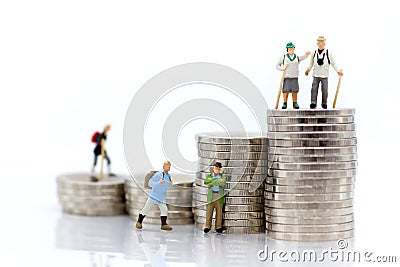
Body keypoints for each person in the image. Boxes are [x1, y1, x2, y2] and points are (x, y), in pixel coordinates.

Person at [305, 36, 343, 109]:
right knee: (314, 89)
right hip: (316, 75)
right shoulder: (314, 53)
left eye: (322, 42)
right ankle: (313, 102)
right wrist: (308, 70)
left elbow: (333, 63)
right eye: (319, 42)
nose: (320, 44)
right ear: (317, 43)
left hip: (324, 75)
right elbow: (311, 63)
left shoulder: (328, 53)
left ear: (324, 43)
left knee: (325, 90)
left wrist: (338, 71)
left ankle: (324, 103)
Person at [136, 161, 173, 231]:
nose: (169, 167)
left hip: (161, 196)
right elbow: (150, 183)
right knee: (146, 209)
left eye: (170, 166)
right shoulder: (158, 175)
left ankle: (164, 224)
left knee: (164, 209)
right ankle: (139, 222)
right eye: (168, 165)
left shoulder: (168, 175)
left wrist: (169, 183)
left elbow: (166, 185)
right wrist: (159, 182)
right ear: (164, 166)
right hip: (154, 195)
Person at [276, 42, 311, 109]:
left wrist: (306, 55)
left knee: (294, 90)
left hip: (295, 77)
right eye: (290, 49)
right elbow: (277, 65)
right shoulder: (284, 57)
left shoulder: (296, 57)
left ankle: (295, 102)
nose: (291, 50)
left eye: (292, 48)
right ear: (287, 49)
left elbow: (302, 58)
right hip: (287, 77)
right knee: (286, 90)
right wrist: (282, 68)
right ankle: (285, 103)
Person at [204, 162, 226, 234]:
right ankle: (207, 226)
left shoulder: (223, 176)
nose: (216, 169)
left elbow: (222, 183)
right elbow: (206, 182)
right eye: (215, 168)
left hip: (219, 196)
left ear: (219, 169)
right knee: (209, 212)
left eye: (218, 168)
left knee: (219, 212)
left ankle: (218, 227)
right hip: (211, 196)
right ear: (213, 168)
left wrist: (212, 181)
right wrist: (217, 181)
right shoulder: (209, 176)